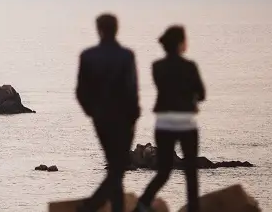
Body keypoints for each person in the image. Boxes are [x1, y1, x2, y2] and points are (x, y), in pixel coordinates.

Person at [134, 25, 206, 212]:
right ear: (182, 44)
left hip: (164, 123)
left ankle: (142, 205)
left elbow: (165, 89)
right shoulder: (190, 67)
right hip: (185, 123)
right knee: (190, 172)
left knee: (164, 171)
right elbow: (201, 94)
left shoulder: (157, 66)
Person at [76, 13, 141, 212]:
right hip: (123, 119)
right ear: (116, 29)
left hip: (101, 119)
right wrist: (133, 116)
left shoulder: (87, 56)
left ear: (99, 29)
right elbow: (132, 90)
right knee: (118, 168)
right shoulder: (126, 56)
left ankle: (114, 208)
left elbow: (81, 92)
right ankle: (89, 206)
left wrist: (92, 112)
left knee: (116, 167)